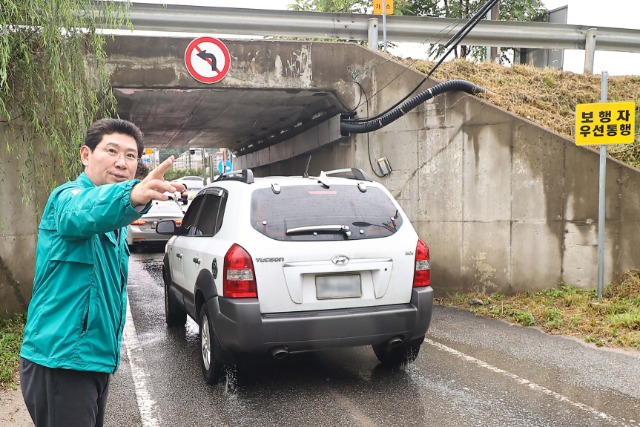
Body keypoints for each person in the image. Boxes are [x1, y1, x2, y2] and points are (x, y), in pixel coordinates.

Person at [19, 118, 184, 427]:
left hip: (93, 361)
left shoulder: (117, 222)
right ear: (86, 155)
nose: (122, 163)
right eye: (112, 151)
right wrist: (133, 195)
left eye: (132, 156)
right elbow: (86, 211)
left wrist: (133, 201)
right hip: (61, 362)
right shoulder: (65, 199)